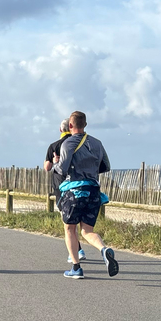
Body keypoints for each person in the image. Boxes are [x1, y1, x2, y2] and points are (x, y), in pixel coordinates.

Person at [54, 111, 119, 279]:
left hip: (75, 191)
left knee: (70, 228)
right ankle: (104, 250)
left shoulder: (68, 143)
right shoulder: (97, 143)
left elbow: (62, 169)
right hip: (93, 191)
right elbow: (106, 166)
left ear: (70, 125)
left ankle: (76, 268)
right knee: (87, 230)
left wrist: (56, 163)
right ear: (85, 125)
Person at [45, 119, 85, 263]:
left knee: (67, 222)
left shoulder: (54, 146)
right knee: (78, 220)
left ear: (60, 129)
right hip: (78, 182)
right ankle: (78, 249)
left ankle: (76, 251)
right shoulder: (79, 144)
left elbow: (47, 167)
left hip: (61, 186)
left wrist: (55, 161)